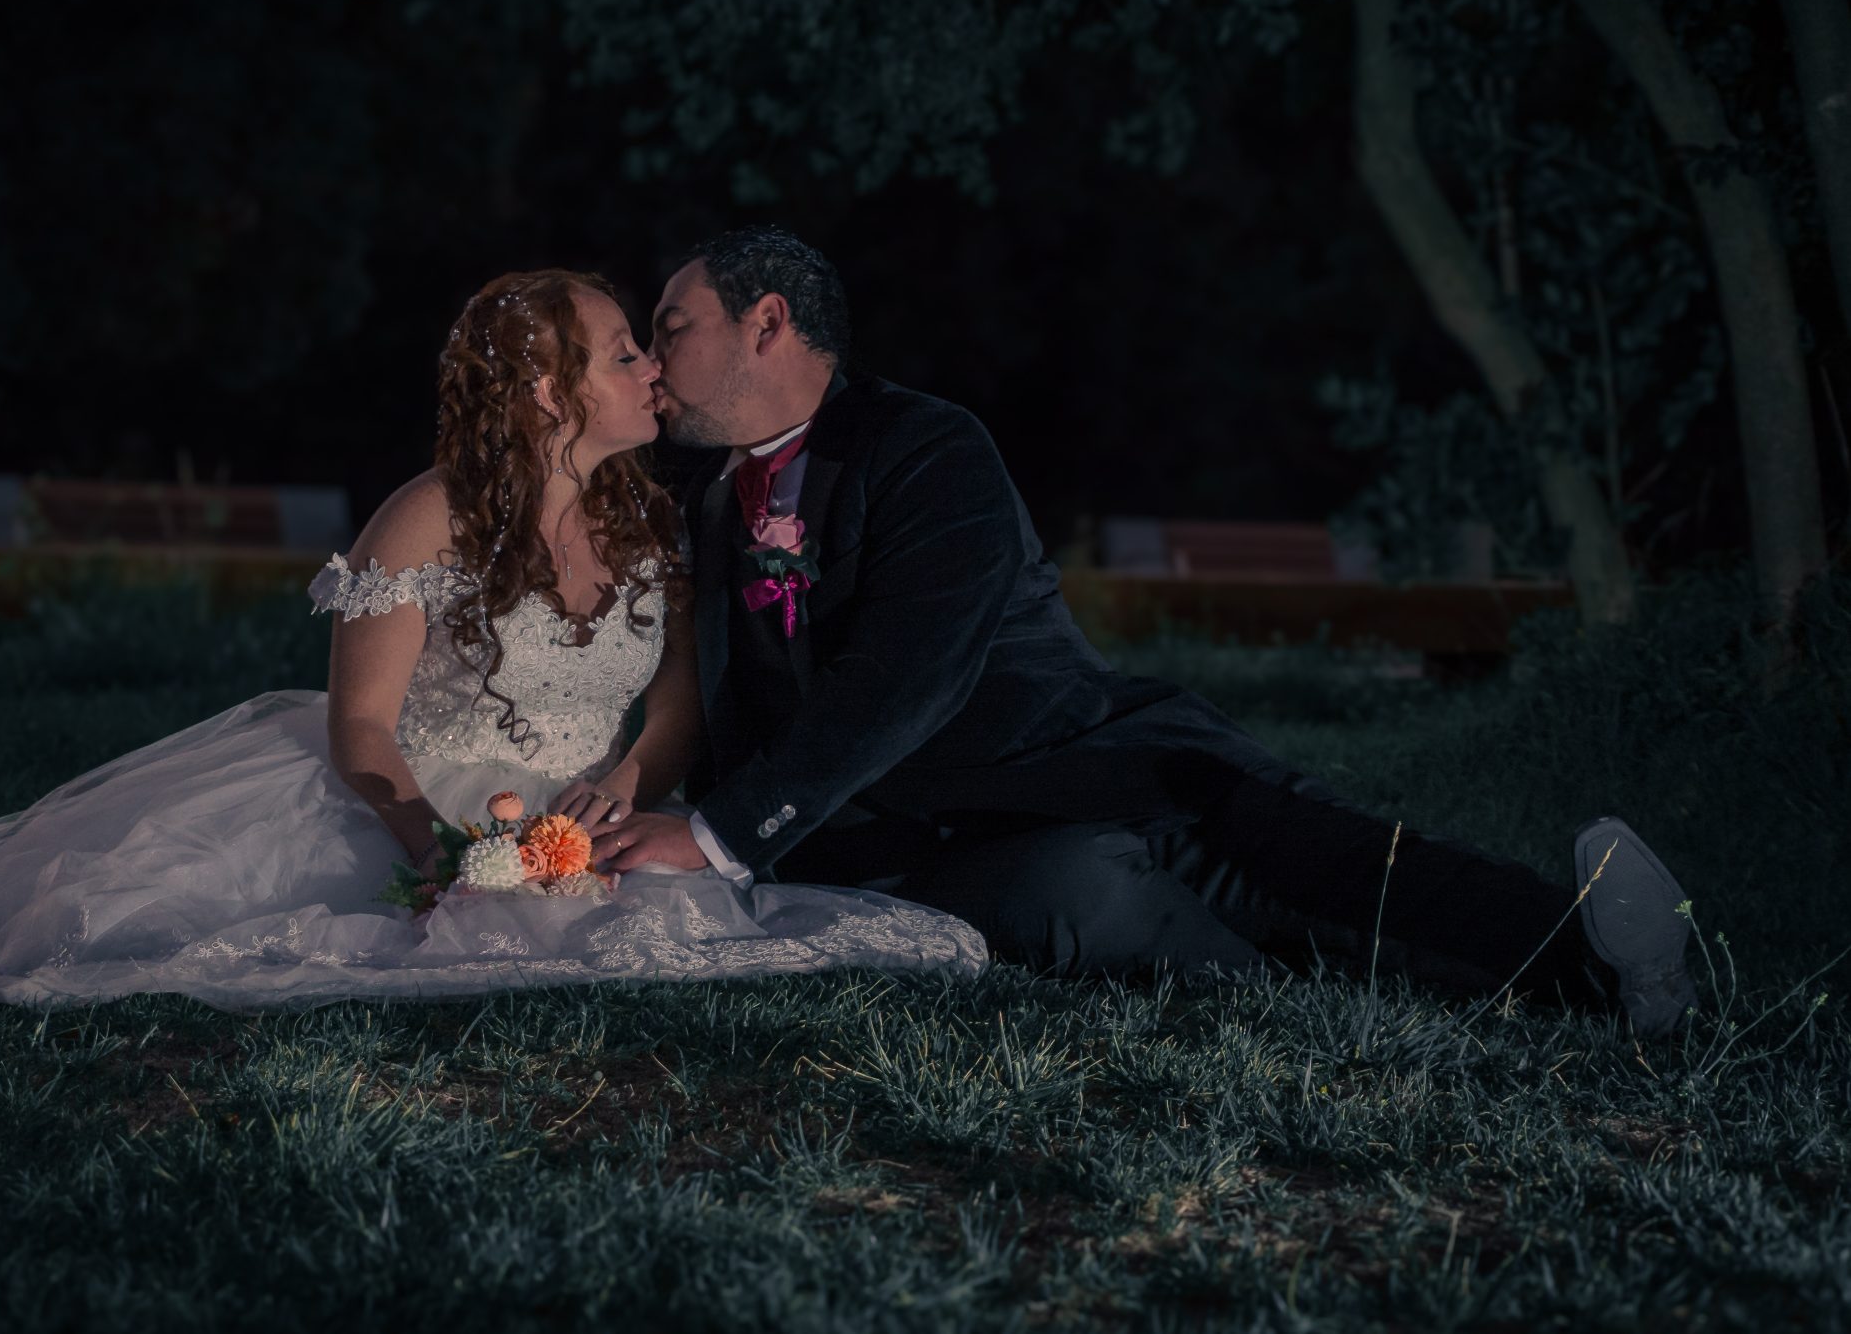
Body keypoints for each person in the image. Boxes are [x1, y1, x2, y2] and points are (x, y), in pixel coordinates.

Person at [0, 270, 985, 1021]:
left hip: (575, 821)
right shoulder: (426, 517)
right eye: (626, 350)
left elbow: (673, 708)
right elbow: (362, 729)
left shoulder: (658, 519)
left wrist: (626, 785)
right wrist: (446, 845)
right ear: (552, 385)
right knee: (145, 936)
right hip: (408, 801)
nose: (653, 371)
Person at [586, 227, 1699, 1037]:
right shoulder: (701, 504)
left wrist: (726, 833)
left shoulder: (927, 448)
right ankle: (1500, 996)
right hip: (930, 840)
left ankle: (1607, 956)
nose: (651, 361)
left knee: (1297, 852)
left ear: (765, 321)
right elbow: (715, 694)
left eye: (671, 329)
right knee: (1133, 904)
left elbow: (908, 671)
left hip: (1089, 757)